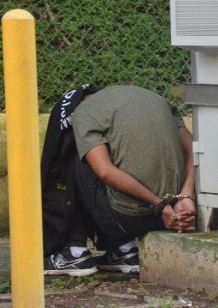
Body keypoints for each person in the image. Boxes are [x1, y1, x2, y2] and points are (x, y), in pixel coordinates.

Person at [43, 85, 195, 276]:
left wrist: (159, 205)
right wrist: (185, 196)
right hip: (174, 211)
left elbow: (104, 171)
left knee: (75, 154)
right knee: (110, 154)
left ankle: (74, 252)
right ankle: (124, 249)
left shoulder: (84, 112)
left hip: (127, 218)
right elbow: (192, 148)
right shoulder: (157, 100)